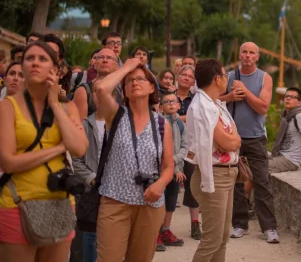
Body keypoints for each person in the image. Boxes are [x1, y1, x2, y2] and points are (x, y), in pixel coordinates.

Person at [0, 41, 88, 261]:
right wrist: (58, 148)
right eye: (29, 59)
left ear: (55, 70)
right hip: (17, 202)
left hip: (60, 202)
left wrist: (55, 104)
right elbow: (9, 162)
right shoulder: (7, 107)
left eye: (42, 59)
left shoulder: (67, 107)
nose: (35, 63)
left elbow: (78, 148)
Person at [93, 57, 175, 262]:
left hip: (150, 203)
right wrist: (128, 67)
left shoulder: (162, 124)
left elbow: (168, 166)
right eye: (129, 81)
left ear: (151, 88)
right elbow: (102, 89)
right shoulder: (116, 115)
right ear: (124, 90)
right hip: (115, 201)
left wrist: (160, 184)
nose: (134, 82)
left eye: (140, 79)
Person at [221, 41, 279, 243]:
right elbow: (215, 101)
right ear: (240, 55)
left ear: (257, 57)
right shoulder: (229, 77)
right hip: (231, 137)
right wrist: (229, 95)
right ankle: (239, 224)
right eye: (244, 52)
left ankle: (269, 228)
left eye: (251, 53)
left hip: (255, 137)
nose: (247, 55)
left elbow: (263, 108)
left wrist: (245, 92)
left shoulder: (265, 78)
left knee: (262, 182)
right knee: (236, 183)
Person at [186, 58, 241, 262]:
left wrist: (233, 140)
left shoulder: (215, 103)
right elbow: (229, 142)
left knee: (223, 237)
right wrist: (233, 140)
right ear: (217, 79)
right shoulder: (202, 106)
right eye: (225, 75)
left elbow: (233, 138)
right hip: (215, 176)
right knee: (212, 239)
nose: (227, 78)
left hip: (226, 174)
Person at [72, 65, 116, 262]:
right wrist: (92, 179)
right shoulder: (84, 125)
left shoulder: (121, 126)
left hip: (116, 189)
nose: (100, 96)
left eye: (105, 92)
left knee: (114, 236)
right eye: (97, 92)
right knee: (90, 235)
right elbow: (75, 159)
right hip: (92, 189)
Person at [156, 92, 188, 252]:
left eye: (173, 101)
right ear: (161, 107)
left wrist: (177, 166)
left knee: (170, 202)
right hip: (162, 171)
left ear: (178, 105)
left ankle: (165, 229)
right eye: (166, 101)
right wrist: (174, 168)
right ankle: (155, 233)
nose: (170, 104)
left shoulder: (181, 125)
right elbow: (161, 150)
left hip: (177, 169)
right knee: (159, 201)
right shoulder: (158, 124)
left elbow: (184, 147)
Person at [174, 64, 201, 239]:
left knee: (193, 183)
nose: (186, 78)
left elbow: (197, 119)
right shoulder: (168, 97)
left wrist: (179, 117)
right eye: (183, 74)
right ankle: (162, 226)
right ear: (178, 76)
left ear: (193, 82)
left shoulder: (197, 99)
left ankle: (195, 224)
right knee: (169, 185)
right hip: (171, 146)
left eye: (190, 76)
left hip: (191, 147)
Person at [269, 87, 301, 174]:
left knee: (259, 167)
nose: (288, 98)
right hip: (280, 155)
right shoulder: (285, 115)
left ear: (299, 102)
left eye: (292, 97)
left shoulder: (300, 117)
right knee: (253, 161)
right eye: (287, 96)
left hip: (290, 160)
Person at [72, 49, 120, 120]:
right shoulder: (83, 91)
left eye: (109, 58)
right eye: (101, 57)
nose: (105, 60)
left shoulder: (120, 91)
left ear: (117, 66)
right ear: (95, 65)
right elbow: (79, 126)